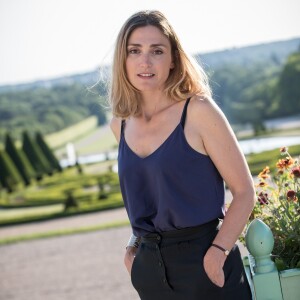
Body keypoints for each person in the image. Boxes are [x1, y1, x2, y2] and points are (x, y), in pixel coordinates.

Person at [109, 10, 255, 300]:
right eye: (134, 51)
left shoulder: (198, 111)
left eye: (157, 51)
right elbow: (150, 194)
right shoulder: (120, 124)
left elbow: (244, 192)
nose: (145, 61)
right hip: (151, 270)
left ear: (173, 58)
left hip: (206, 264)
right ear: (123, 60)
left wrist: (217, 252)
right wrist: (133, 246)